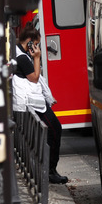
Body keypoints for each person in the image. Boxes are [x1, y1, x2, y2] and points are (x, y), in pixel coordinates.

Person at [12, 26, 67, 184]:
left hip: (30, 101)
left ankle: (46, 168)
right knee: (54, 129)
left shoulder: (17, 52)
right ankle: (49, 170)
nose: (37, 48)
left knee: (49, 131)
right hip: (31, 102)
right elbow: (35, 78)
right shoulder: (22, 58)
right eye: (36, 44)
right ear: (29, 43)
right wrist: (37, 57)